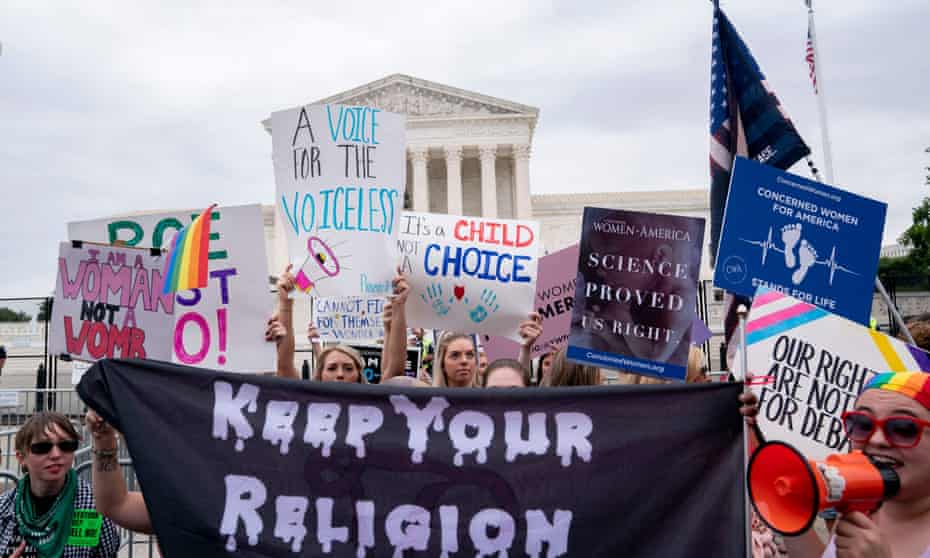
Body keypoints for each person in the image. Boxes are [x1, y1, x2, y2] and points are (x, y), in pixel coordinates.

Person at [747, 371, 930, 558]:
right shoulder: (863, 498)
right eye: (862, 424)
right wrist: (750, 431)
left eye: (903, 428)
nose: (876, 439)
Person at [0, 412, 119, 557]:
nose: (56, 454)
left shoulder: (94, 505)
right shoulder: (5, 507)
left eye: (66, 445)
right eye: (42, 447)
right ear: (21, 457)